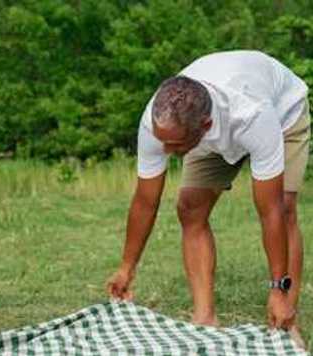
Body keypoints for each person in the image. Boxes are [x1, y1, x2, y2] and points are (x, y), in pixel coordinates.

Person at [107, 51, 309, 340]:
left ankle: (286, 319)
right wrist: (127, 268)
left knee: (286, 208)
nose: (165, 151)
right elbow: (145, 201)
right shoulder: (160, 122)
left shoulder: (252, 116)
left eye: (173, 145)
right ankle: (205, 317)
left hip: (282, 115)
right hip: (208, 130)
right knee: (190, 208)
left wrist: (278, 288)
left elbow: (271, 210)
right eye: (162, 141)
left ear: (205, 126)